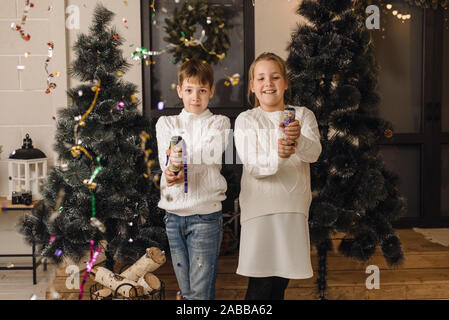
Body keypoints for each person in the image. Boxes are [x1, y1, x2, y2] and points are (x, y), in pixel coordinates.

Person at [234, 52, 322, 300]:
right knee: (260, 285)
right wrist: (279, 154)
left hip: (292, 208)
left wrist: (298, 140)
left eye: (274, 77)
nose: (268, 84)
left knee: (279, 284)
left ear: (285, 83)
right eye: (260, 78)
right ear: (252, 86)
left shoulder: (302, 115)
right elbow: (253, 166)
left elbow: (314, 153)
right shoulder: (246, 120)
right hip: (259, 210)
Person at [155, 59, 230, 300]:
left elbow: (210, 152)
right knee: (186, 292)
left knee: (200, 293)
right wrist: (170, 171)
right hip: (173, 217)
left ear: (211, 91)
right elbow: (164, 162)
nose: (195, 97)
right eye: (188, 90)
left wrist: (182, 164)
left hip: (204, 216)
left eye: (202, 90)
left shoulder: (219, 123)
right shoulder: (166, 123)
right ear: (179, 91)